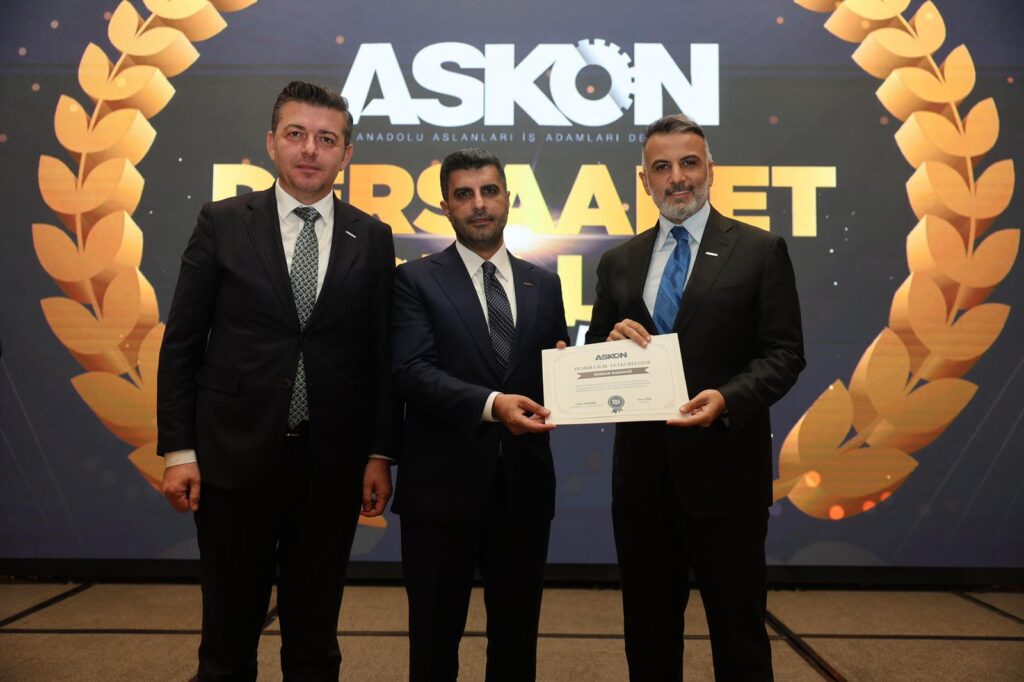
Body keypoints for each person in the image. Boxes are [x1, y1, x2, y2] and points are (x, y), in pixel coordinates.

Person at [157, 80, 398, 681]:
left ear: (346, 155)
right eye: (296, 134)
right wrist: (179, 451)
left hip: (330, 467)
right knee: (227, 640)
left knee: (314, 640)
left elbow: (380, 358)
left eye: (327, 139)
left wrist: (379, 453)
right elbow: (183, 343)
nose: (310, 149)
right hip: (232, 460)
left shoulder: (371, 236)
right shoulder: (222, 222)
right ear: (271, 144)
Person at [586, 113, 805, 680]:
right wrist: (606, 348)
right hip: (641, 485)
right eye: (662, 167)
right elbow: (597, 362)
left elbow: (784, 354)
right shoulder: (617, 262)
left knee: (739, 636)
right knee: (648, 636)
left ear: (711, 170)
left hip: (727, 478)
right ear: (645, 181)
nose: (677, 177)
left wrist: (727, 400)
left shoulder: (760, 250)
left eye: (689, 163)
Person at [390, 148, 569, 681]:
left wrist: (577, 374)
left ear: (507, 198)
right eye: (464, 194)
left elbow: (551, 369)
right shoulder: (414, 280)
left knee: (516, 642)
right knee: (433, 641)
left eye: (489, 191)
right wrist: (492, 406)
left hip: (523, 488)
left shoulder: (545, 283)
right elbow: (410, 371)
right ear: (446, 206)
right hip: (439, 491)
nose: (479, 204)